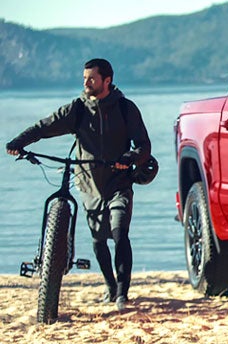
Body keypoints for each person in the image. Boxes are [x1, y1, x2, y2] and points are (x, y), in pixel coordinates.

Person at [6, 58, 151, 311]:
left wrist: (128, 158)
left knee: (119, 234)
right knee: (98, 241)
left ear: (107, 80)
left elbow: (143, 146)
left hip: (119, 183)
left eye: (91, 79)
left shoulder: (126, 109)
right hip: (89, 184)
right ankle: (109, 285)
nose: (86, 83)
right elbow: (45, 126)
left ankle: (121, 294)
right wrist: (19, 142)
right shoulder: (78, 109)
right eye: (84, 78)